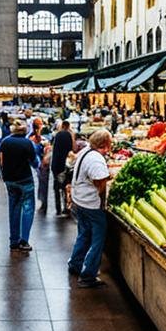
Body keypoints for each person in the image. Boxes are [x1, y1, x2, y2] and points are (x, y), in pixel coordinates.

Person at [68, 129, 113, 288]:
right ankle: (88, 275)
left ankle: (75, 264)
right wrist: (109, 179)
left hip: (79, 200)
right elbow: (100, 183)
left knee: (84, 234)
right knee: (98, 239)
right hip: (90, 204)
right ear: (105, 145)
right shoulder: (95, 159)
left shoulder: (86, 151)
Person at [0, 120, 37, 252]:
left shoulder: (5, 142)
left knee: (13, 208)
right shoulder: (27, 143)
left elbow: (1, 161)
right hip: (25, 179)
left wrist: (4, 174)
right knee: (28, 208)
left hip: (9, 179)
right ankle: (24, 241)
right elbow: (35, 163)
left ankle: (13, 240)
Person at [50, 120, 74, 216]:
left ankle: (58, 209)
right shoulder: (67, 135)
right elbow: (70, 149)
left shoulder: (58, 135)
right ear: (67, 126)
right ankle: (66, 208)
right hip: (64, 165)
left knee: (56, 187)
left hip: (56, 165)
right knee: (65, 187)